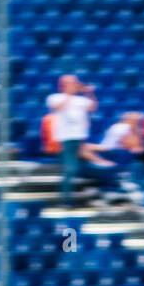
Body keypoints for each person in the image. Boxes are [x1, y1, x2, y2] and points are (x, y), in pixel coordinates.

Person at [45, 74, 98, 205]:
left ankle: (75, 198)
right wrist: (69, 94)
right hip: (65, 138)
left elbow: (93, 107)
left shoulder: (80, 99)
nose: (75, 85)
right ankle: (66, 200)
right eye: (71, 83)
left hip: (80, 137)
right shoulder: (55, 97)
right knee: (70, 169)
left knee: (75, 169)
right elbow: (57, 107)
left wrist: (89, 93)